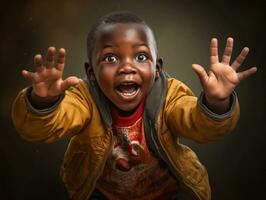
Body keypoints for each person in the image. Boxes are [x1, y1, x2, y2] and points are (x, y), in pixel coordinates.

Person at [12, 11, 257, 200]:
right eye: (110, 58)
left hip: (165, 193)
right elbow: (46, 126)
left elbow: (198, 124)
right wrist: (43, 100)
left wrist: (217, 101)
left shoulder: (169, 95)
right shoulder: (85, 98)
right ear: (92, 72)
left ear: (157, 68)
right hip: (103, 194)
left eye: (140, 57)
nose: (126, 67)